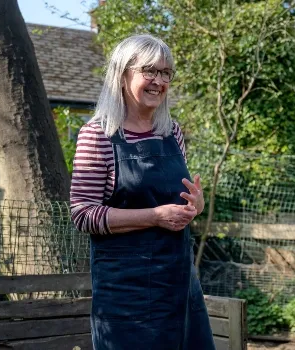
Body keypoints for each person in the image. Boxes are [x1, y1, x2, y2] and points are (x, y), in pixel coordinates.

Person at [70, 34, 215, 350]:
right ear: (122, 75)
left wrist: (196, 205)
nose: (159, 81)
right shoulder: (98, 136)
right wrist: (155, 216)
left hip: (178, 282)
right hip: (127, 292)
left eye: (166, 73)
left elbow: (178, 204)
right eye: (150, 71)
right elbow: (82, 213)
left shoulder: (171, 133)